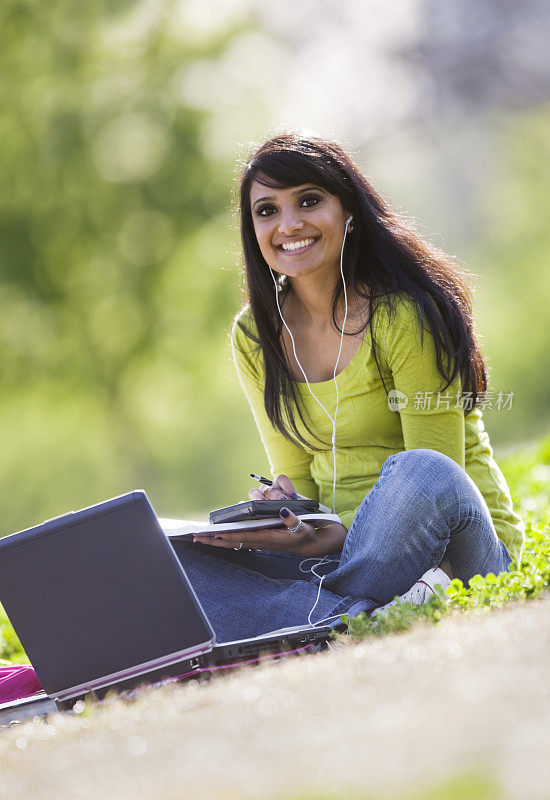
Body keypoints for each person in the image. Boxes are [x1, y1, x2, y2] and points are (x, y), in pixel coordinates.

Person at [172, 132, 524, 643]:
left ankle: (305, 615)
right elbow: (298, 479)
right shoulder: (255, 334)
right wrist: (288, 524)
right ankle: (349, 611)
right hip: (340, 554)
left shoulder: (402, 313)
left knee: (419, 473)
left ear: (349, 213)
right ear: (253, 231)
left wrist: (327, 542)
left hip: (456, 547)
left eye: (309, 201)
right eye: (267, 211)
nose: (288, 224)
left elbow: (437, 485)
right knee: (182, 556)